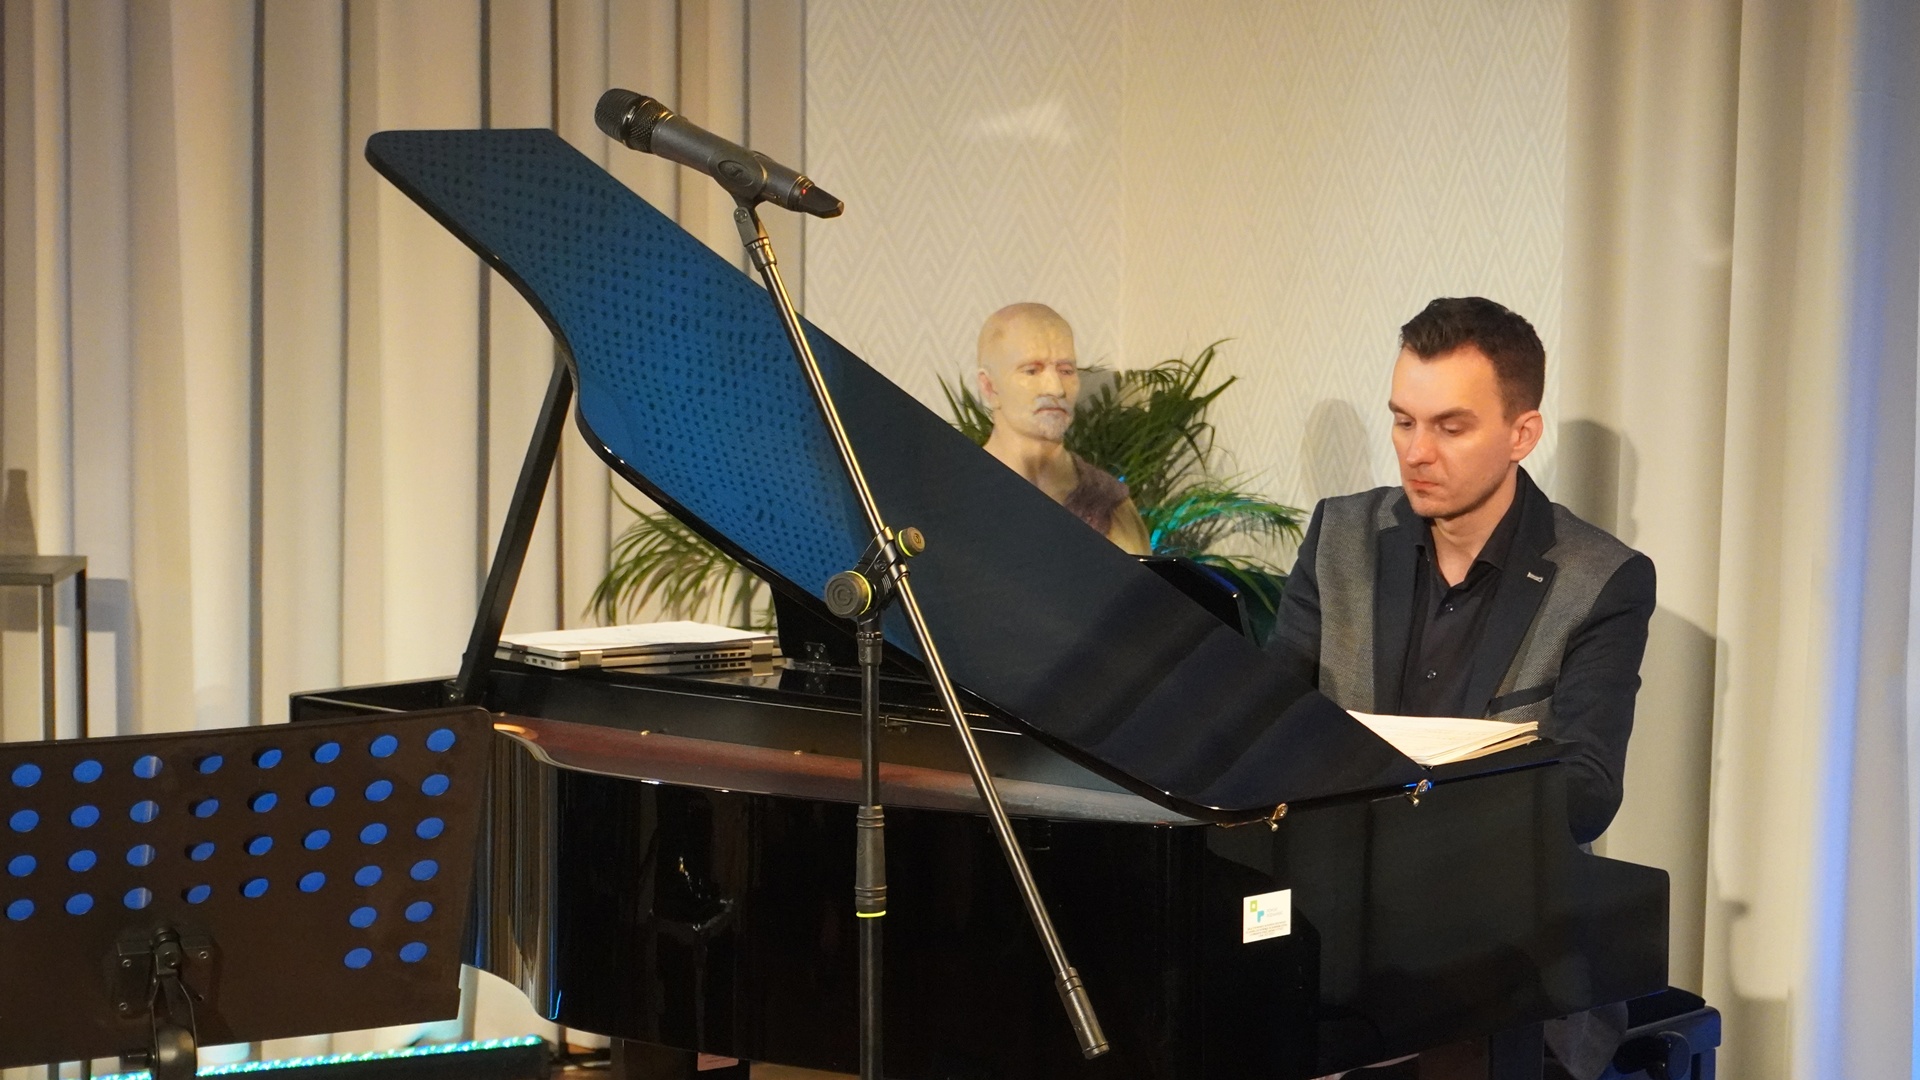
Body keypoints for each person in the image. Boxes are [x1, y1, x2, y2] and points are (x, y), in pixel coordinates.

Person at [1271, 297, 1655, 1080]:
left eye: (1450, 427)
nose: (1417, 452)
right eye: (1403, 421)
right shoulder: (1340, 538)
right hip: (1339, 939)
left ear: (1522, 434)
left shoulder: (1600, 580)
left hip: (1507, 962)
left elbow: (1586, 792)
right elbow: (1269, 724)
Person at [975, 303, 1153, 554]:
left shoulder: (1111, 505)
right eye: (1032, 371)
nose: (1056, 389)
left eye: (1066, 371)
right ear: (989, 386)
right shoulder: (955, 494)